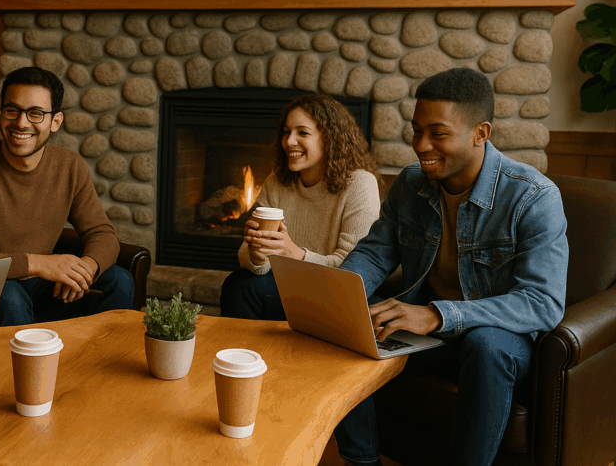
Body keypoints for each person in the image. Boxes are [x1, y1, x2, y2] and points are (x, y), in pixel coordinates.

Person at [333, 67, 568, 466]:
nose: (421, 145)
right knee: (352, 314)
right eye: (416, 130)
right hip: (431, 337)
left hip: (500, 343)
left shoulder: (533, 198)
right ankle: (361, 461)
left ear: (481, 133)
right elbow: (374, 253)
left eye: (438, 134)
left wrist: (438, 315)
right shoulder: (410, 184)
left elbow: (542, 303)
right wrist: (338, 296)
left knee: (486, 343)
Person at [0, 66, 135, 327]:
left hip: (44, 290)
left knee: (120, 281)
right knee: (10, 296)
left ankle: (85, 359)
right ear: (1, 114)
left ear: (55, 121)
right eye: (12, 110)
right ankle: (24, 364)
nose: (21, 123)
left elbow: (102, 233)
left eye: (35, 113)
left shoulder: (69, 165)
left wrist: (86, 269)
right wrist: (38, 264)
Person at [220, 93, 381, 320]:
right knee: (239, 283)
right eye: (287, 132)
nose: (289, 142)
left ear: (330, 138)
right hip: (287, 286)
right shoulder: (277, 181)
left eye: (302, 133)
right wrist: (257, 254)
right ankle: (245, 355)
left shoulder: (360, 184)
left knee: (243, 288)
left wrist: (295, 254)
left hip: (336, 294)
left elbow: (355, 272)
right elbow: (250, 259)